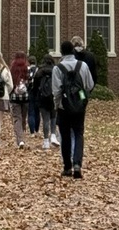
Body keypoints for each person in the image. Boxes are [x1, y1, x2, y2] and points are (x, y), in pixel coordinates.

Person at [53, 39, 94, 179]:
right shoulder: (83, 66)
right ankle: (78, 164)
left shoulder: (58, 68)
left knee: (65, 136)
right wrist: (82, 98)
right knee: (78, 133)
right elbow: (89, 85)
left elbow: (56, 91)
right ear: (72, 51)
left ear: (61, 52)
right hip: (79, 106)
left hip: (64, 107)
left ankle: (67, 167)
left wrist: (57, 105)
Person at [34, 53, 60, 150]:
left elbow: (35, 85)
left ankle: (46, 142)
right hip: (53, 97)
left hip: (42, 97)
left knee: (45, 119)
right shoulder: (56, 70)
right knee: (53, 117)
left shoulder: (40, 71)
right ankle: (53, 135)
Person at [9, 51, 30, 148]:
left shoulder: (12, 68)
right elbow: (30, 82)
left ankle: (20, 140)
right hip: (25, 97)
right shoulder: (27, 68)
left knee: (17, 118)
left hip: (14, 97)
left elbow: (10, 82)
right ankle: (22, 136)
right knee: (23, 117)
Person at [26, 55, 40, 137]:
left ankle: (32, 132)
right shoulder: (38, 70)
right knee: (37, 112)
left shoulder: (27, 70)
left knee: (31, 112)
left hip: (29, 92)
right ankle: (37, 130)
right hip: (37, 93)